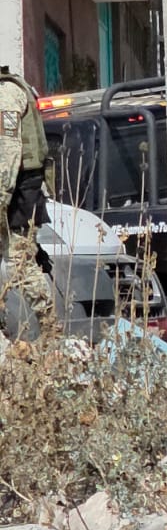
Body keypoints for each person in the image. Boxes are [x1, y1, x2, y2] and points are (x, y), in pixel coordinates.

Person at [0, 66, 54, 338]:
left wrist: (2, 199)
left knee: (18, 262)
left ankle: (50, 330)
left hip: (17, 190)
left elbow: (8, 153)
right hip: (15, 188)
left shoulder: (6, 93)